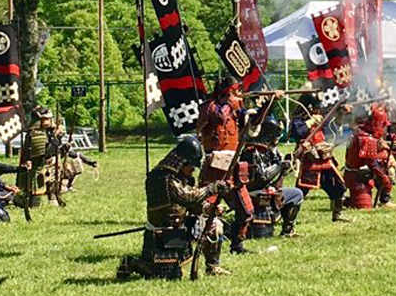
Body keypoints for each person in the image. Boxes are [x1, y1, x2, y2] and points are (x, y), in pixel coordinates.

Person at [116, 135, 229, 280]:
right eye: (191, 166)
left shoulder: (181, 177)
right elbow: (188, 196)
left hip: (182, 226)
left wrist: (208, 208)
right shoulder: (162, 178)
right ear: (183, 163)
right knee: (161, 275)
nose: (192, 171)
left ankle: (212, 266)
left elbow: (192, 204)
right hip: (162, 232)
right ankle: (131, 263)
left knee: (215, 225)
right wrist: (212, 188)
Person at [198, 76, 253, 254]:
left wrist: (270, 102)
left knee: (247, 210)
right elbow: (219, 116)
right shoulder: (210, 107)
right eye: (236, 91)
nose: (239, 95)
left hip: (233, 165)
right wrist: (232, 104)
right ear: (229, 91)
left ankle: (237, 245)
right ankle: (204, 245)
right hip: (215, 167)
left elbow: (254, 121)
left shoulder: (235, 109)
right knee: (207, 209)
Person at [241, 114, 303, 238]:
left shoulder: (269, 150)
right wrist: (280, 165)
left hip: (268, 188)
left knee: (296, 194)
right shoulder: (253, 151)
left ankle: (287, 230)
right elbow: (262, 176)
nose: (276, 139)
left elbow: (281, 171)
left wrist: (296, 155)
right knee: (262, 235)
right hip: (254, 191)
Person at [291, 98, 349, 223]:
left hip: (324, 157)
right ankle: (289, 221)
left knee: (338, 186)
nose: (318, 110)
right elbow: (296, 133)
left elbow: (333, 127)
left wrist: (340, 114)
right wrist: (310, 121)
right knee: (300, 192)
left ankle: (337, 215)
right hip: (309, 158)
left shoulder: (323, 118)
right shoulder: (299, 120)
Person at [344, 104, 396, 210]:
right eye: (382, 125)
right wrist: (384, 178)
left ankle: (385, 200)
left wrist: (390, 137)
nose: (383, 128)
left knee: (388, 167)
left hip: (363, 172)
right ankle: (341, 200)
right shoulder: (366, 139)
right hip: (359, 175)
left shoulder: (365, 134)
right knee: (363, 206)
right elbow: (372, 163)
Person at [16, 107, 56, 208]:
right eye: (45, 119)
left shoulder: (47, 132)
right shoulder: (36, 134)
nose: (48, 121)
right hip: (36, 165)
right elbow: (42, 153)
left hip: (45, 165)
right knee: (36, 186)